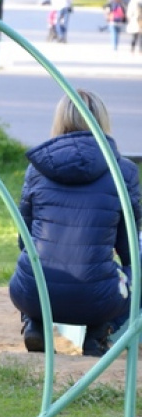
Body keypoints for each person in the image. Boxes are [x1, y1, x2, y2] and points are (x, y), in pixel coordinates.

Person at [8, 89, 142, 358]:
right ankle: (99, 331)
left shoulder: (37, 168)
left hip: (34, 293)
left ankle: (35, 322)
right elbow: (129, 248)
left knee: (35, 259)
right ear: (102, 121)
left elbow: (25, 240)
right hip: (97, 300)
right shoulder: (123, 171)